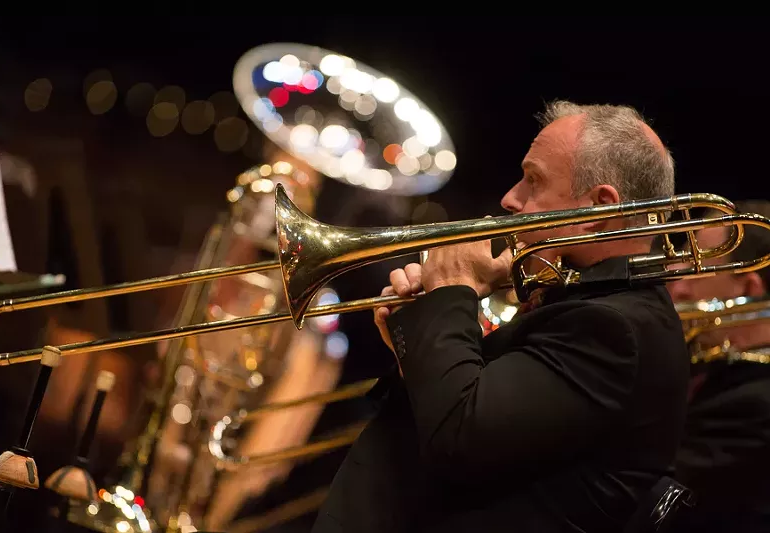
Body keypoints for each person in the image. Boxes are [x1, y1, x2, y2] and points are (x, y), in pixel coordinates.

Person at [310, 100, 691, 533]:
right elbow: (473, 419)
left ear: (597, 209)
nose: (510, 198)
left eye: (534, 180)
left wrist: (452, 290)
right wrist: (415, 342)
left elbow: (459, 439)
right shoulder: (589, 301)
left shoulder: (613, 326)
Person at [665, 200, 770, 533]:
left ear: (749, 290)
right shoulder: (713, 367)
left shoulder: (756, 404)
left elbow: (656, 504)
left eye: (696, 268)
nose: (677, 285)